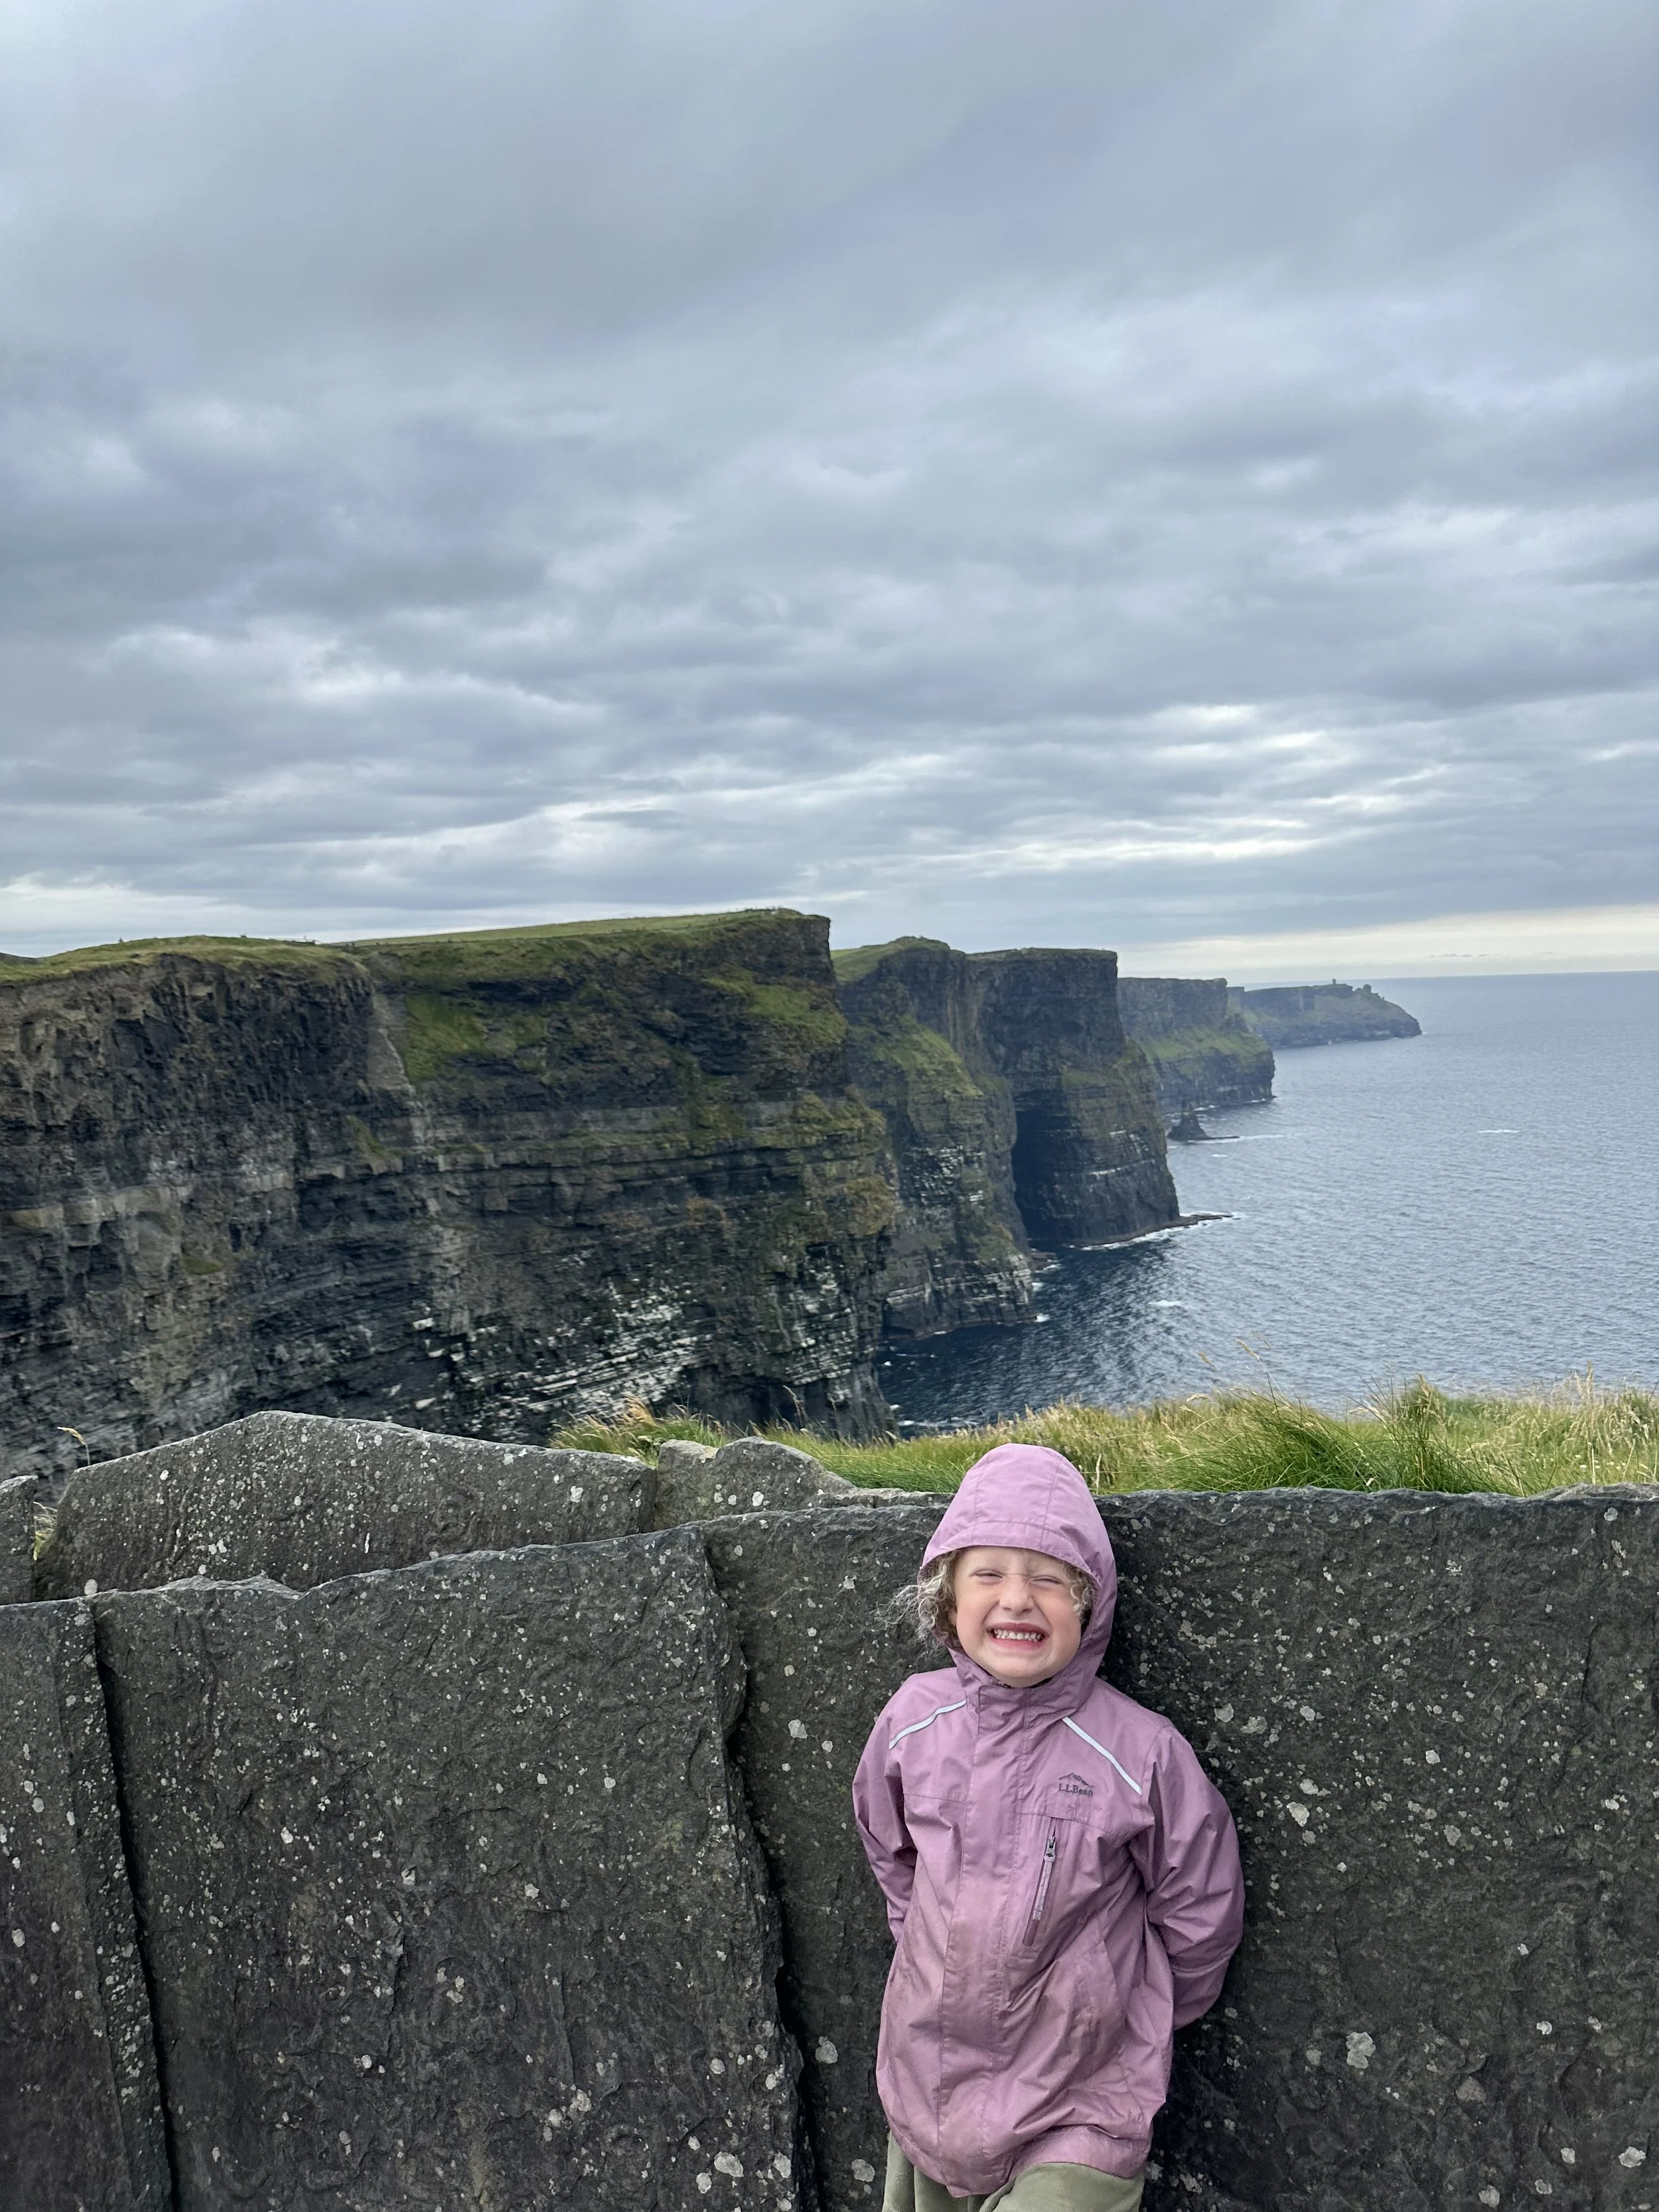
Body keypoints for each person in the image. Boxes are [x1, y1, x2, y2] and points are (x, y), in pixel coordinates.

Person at [852, 1443, 1244, 2212]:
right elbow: (887, 1843)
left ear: (1090, 1606)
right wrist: (922, 1944)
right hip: (926, 2088)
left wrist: (1139, 2004)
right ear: (946, 1599)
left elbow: (1200, 1903)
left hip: (1080, 2103)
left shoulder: (1139, 1751)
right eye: (988, 1574)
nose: (1017, 1599)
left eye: (1049, 1579)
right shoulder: (912, 1720)